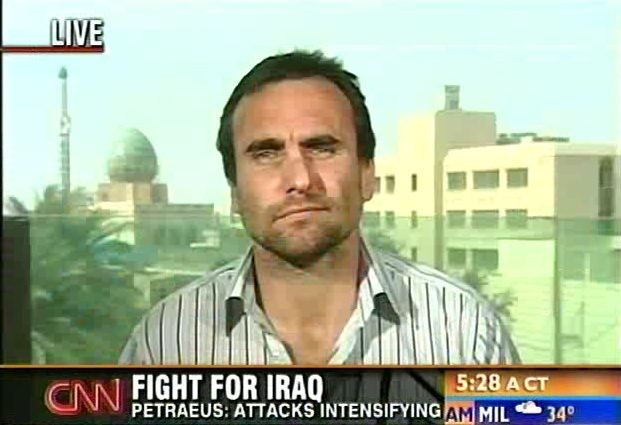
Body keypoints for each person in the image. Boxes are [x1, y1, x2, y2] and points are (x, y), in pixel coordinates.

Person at [119, 50, 519, 365]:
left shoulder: (464, 333)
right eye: (266, 153)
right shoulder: (165, 342)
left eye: (322, 148)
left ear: (367, 174)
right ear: (235, 191)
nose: (301, 179)